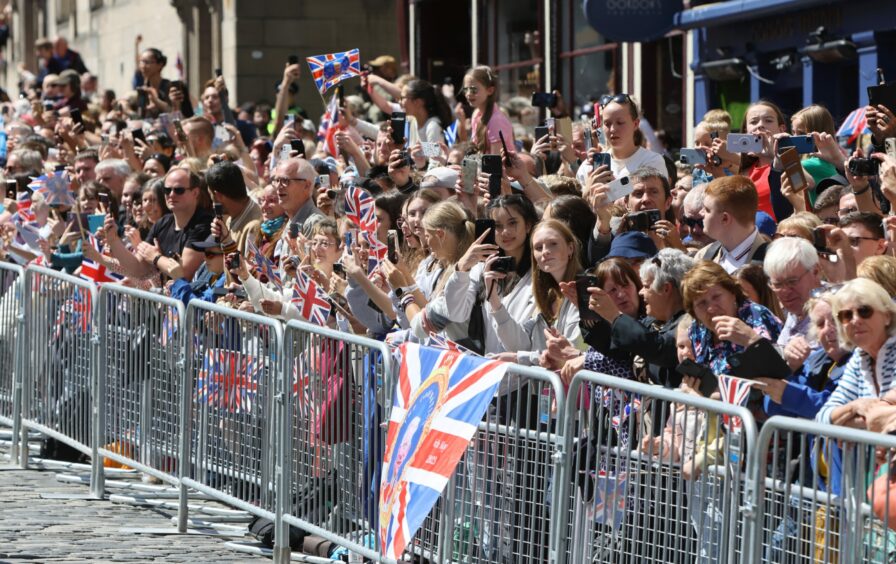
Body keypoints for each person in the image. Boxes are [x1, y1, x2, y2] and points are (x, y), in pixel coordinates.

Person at [491, 219, 584, 366]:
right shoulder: (546, 296)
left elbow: (570, 352)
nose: (545, 251)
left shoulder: (581, 292)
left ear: (570, 248)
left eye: (553, 244)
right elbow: (520, 345)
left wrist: (520, 358)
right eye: (538, 247)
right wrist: (494, 301)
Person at [104, 167, 212, 281]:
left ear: (195, 193)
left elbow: (183, 274)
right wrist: (113, 240)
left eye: (178, 190)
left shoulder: (205, 224)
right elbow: (137, 270)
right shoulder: (163, 222)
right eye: (167, 190)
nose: (171, 194)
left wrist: (155, 257)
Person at [816, 278, 896, 428]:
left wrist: (849, 423)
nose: (855, 320)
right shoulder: (859, 358)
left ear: (887, 316)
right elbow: (823, 416)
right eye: (846, 315)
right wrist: (855, 406)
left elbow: (885, 416)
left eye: (864, 311)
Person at [680, 260, 782, 377]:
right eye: (702, 303)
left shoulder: (756, 315)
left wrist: (749, 339)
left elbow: (778, 369)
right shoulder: (697, 329)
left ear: (732, 292)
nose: (711, 308)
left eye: (716, 297)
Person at [695, 175, 769, 273]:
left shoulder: (771, 264)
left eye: (707, 210)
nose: (701, 213)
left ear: (725, 218)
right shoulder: (704, 255)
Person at [763, 237, 823, 350]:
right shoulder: (797, 308)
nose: (785, 292)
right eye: (778, 284)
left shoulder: (834, 309)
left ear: (815, 272)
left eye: (792, 282)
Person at [206, 161, 262, 256]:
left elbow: (246, 270)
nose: (212, 204)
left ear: (218, 195)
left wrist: (227, 244)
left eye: (211, 195)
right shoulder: (229, 220)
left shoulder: (254, 227)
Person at [462, 66, 515, 154]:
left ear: (490, 90)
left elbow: (495, 164)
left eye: (474, 90)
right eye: (465, 89)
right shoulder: (476, 114)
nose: (468, 94)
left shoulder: (496, 120)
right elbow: (475, 152)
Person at [400, 79, 453, 144]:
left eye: (403, 98)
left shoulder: (432, 127)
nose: (400, 102)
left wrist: (413, 153)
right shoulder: (413, 121)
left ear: (418, 102)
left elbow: (435, 153)